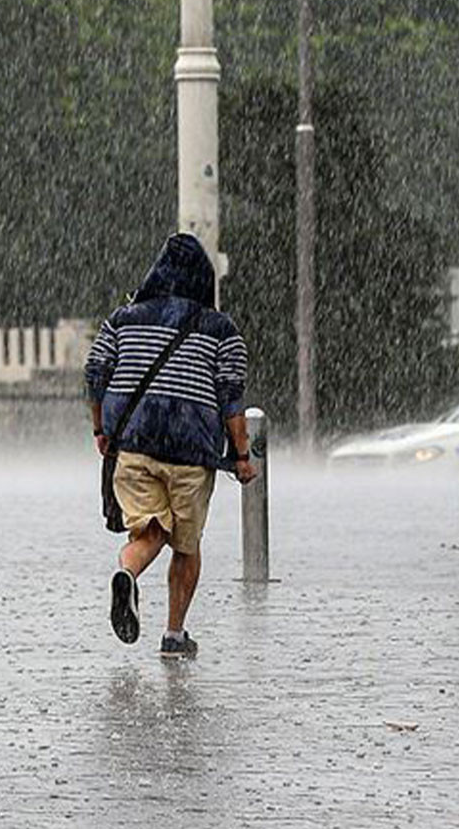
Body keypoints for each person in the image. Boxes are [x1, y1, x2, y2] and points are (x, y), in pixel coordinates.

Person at [84, 233, 258, 659]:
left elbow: (95, 374)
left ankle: (127, 572)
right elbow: (230, 397)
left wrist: (101, 429)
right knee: (186, 544)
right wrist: (241, 455)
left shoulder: (122, 320)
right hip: (191, 453)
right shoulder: (221, 330)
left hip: (135, 444)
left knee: (150, 530)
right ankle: (174, 636)